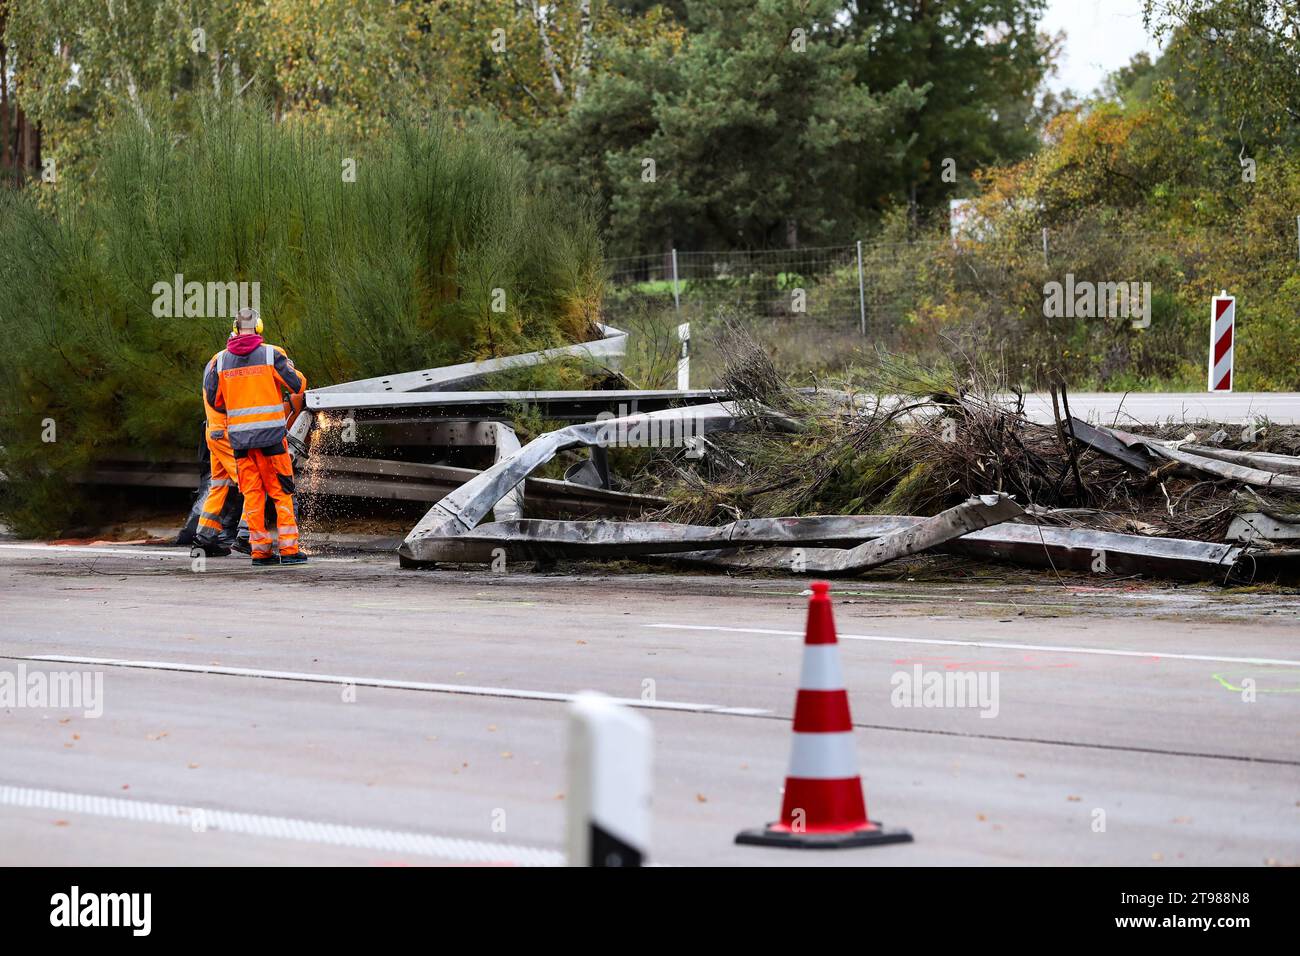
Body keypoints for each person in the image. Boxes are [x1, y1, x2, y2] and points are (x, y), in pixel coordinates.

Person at [202, 307, 308, 566]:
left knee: (253, 494)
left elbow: (215, 401)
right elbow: (298, 385)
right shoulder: (272, 355)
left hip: (240, 442)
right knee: (281, 492)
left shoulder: (222, 361)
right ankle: (290, 551)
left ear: (235, 328)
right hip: (271, 440)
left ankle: (260, 552)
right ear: (258, 327)